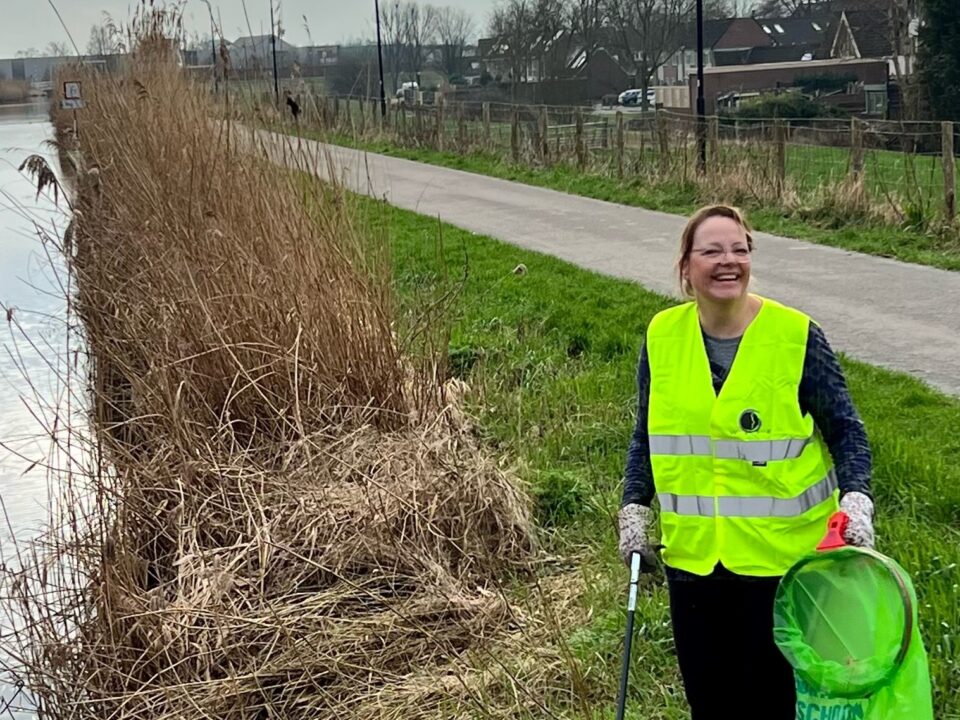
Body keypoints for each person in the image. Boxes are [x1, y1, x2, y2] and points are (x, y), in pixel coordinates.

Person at [618, 204, 874, 720]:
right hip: (692, 564)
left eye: (739, 249)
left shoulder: (797, 336)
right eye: (711, 251)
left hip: (782, 567)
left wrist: (857, 496)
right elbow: (647, 433)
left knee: (776, 705)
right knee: (711, 704)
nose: (727, 261)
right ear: (686, 267)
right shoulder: (662, 336)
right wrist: (633, 506)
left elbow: (847, 429)